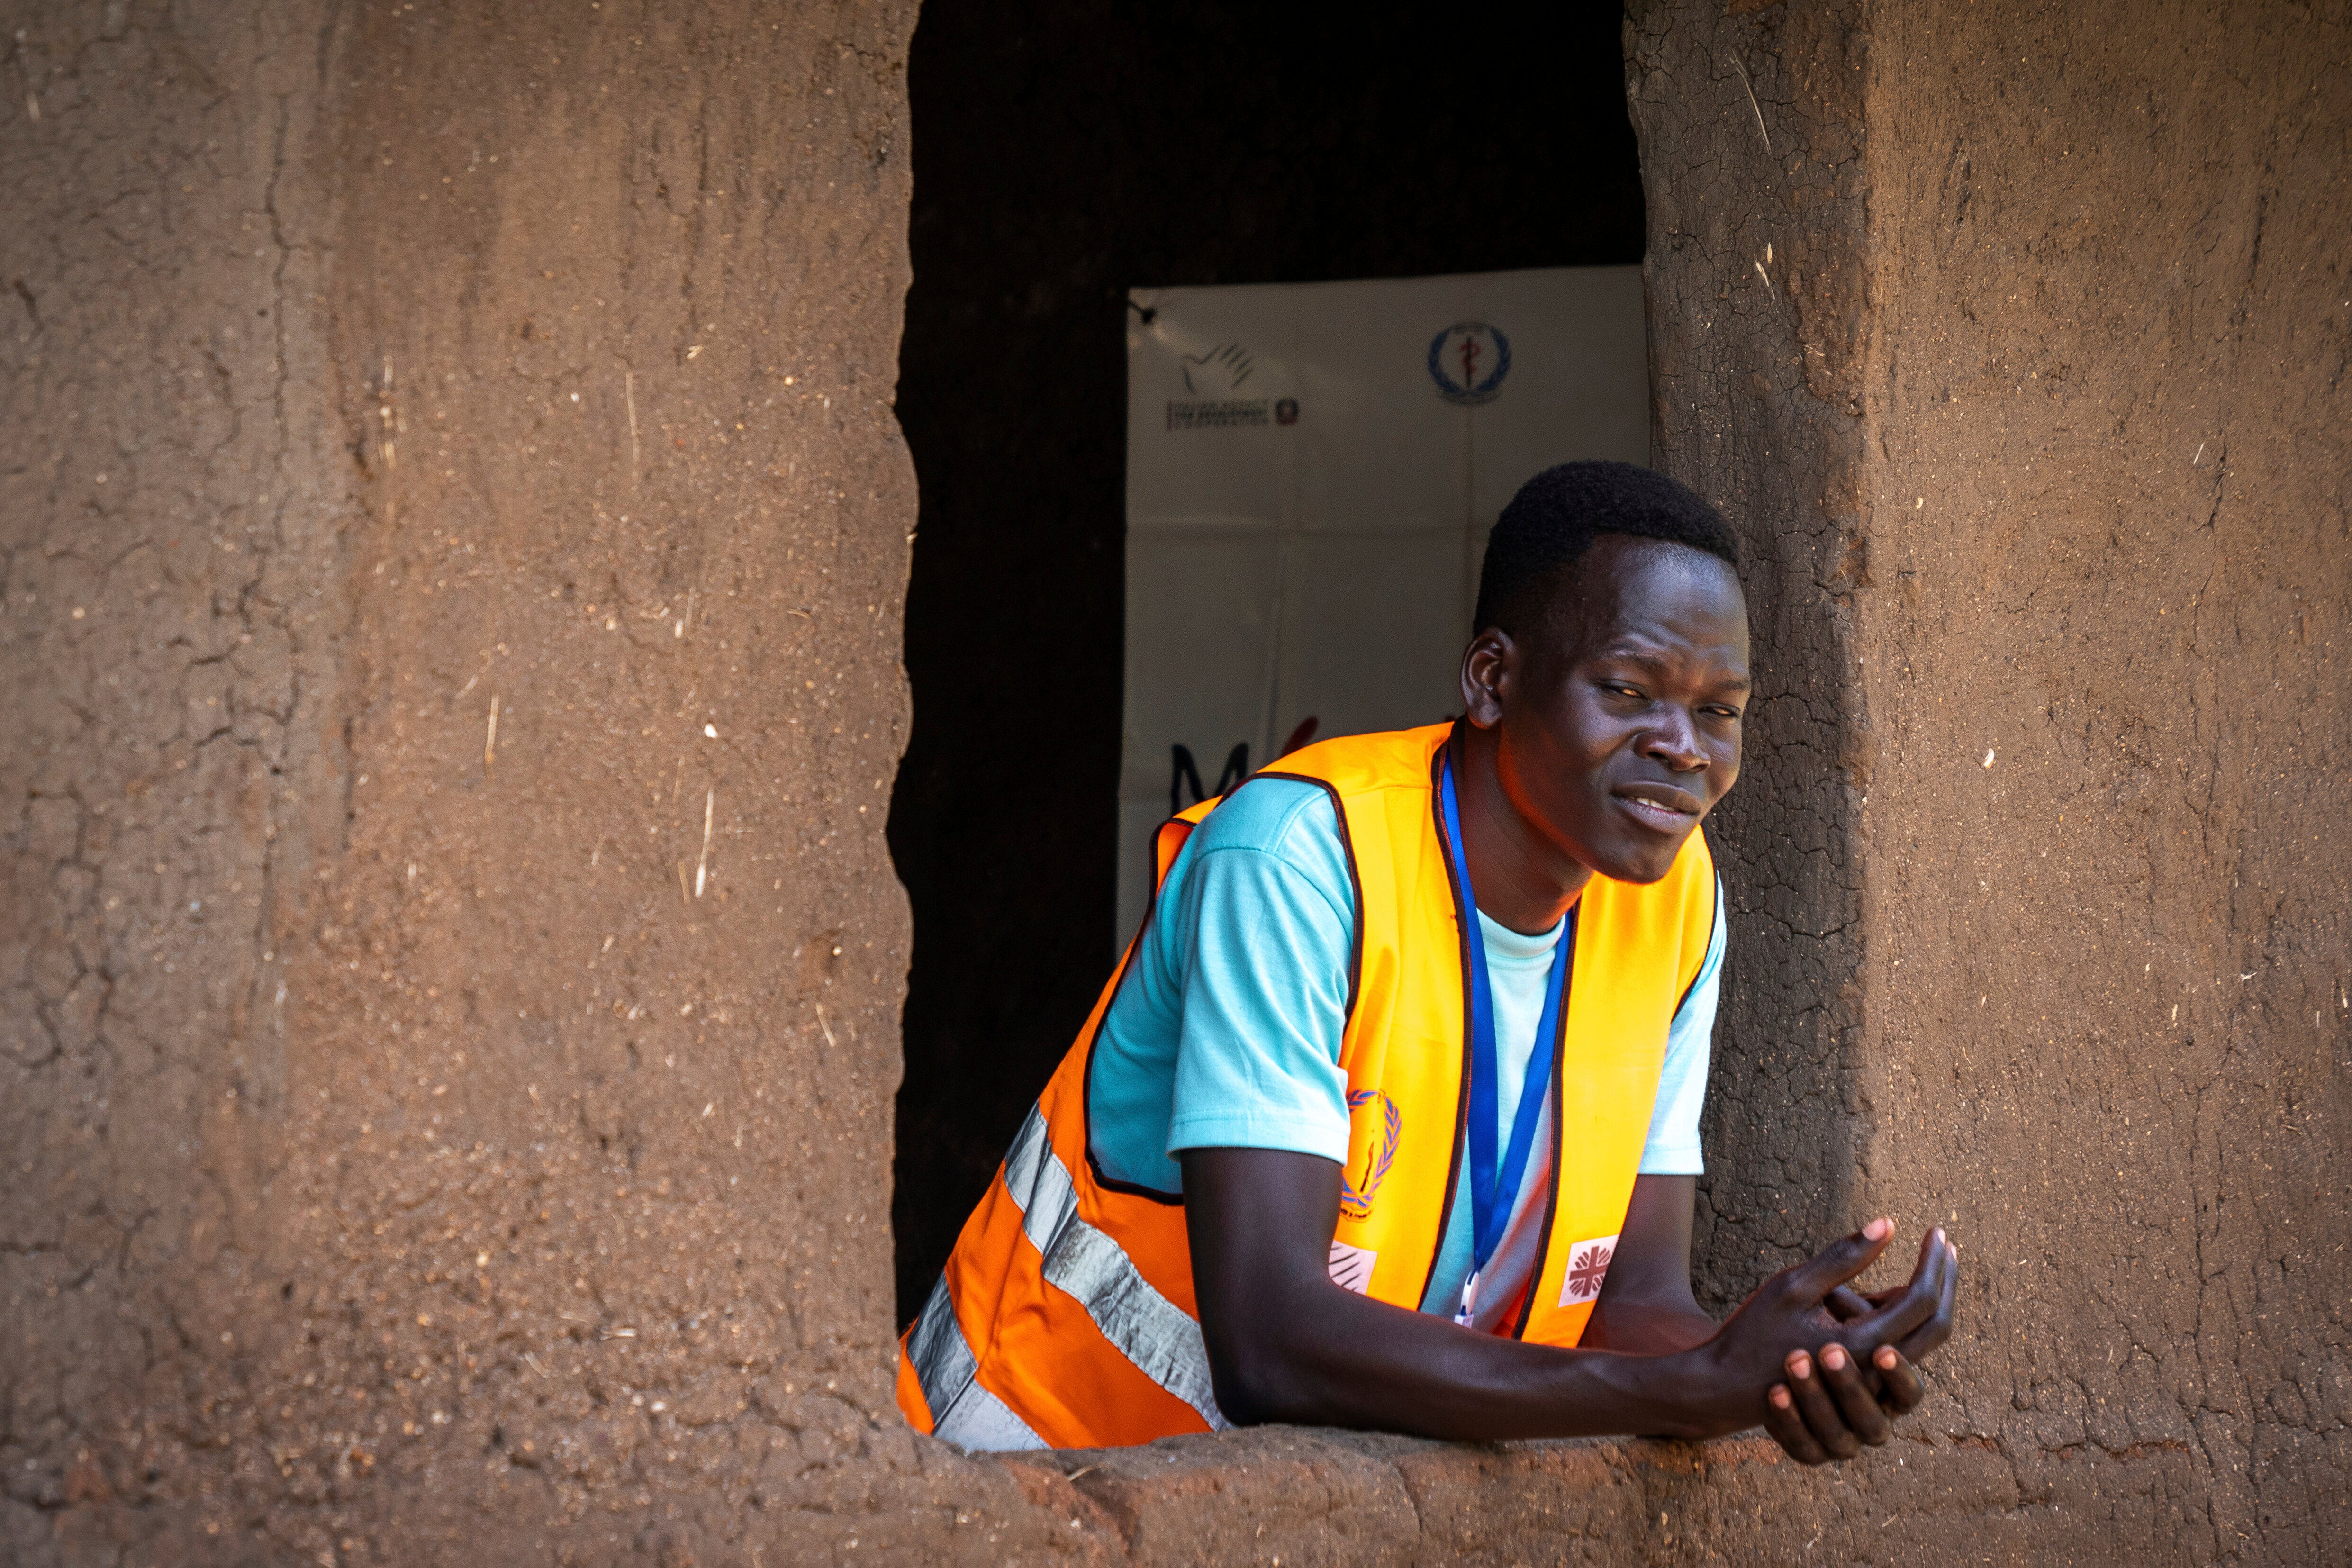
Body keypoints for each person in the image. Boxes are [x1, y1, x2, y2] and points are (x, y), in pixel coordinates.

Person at [896, 461, 1957, 1460]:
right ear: (1493, 678)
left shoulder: (1674, 900)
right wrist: (1685, 1388)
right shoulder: (1297, 860)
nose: (1685, 745)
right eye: (1630, 689)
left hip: (1281, 1507)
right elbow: (1269, 1344)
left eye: (1719, 710)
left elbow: (1629, 1305)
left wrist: (1780, 1368)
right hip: (1025, 1459)